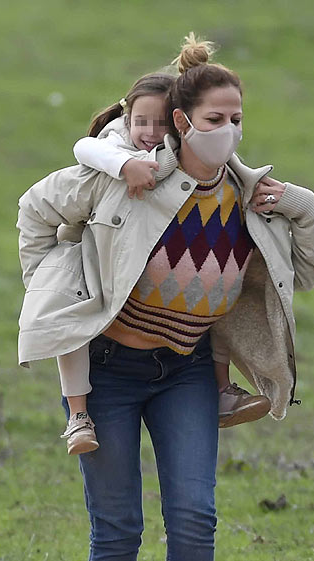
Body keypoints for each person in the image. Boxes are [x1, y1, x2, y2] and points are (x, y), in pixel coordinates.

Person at [16, 34, 314, 561]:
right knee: (118, 525)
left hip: (188, 369)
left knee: (195, 517)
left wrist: (300, 204)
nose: (230, 130)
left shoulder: (251, 197)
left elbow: (302, 271)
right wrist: (56, 293)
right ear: (183, 122)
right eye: (216, 119)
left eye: (238, 118)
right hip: (109, 373)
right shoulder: (129, 178)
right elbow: (35, 211)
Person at [53, 67, 270, 455]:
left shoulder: (201, 172)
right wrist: (123, 166)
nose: (150, 133)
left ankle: (221, 389)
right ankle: (78, 413)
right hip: (108, 348)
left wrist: (286, 198)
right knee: (70, 317)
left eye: (235, 120)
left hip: (187, 360)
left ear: (177, 122)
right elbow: (75, 159)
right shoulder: (115, 151)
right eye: (141, 122)